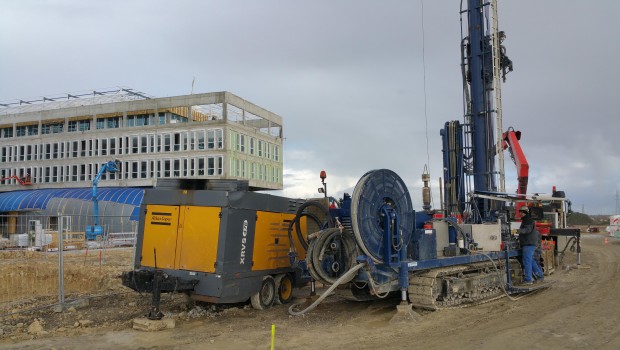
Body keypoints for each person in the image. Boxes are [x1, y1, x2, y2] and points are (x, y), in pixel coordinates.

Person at [518, 206, 544, 285]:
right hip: (529, 243)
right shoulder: (527, 220)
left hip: (528, 244)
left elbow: (527, 230)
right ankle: (540, 276)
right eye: (520, 212)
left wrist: (517, 231)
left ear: (525, 212)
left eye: (522, 212)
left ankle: (528, 280)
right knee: (531, 261)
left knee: (527, 261)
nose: (520, 214)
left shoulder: (528, 220)